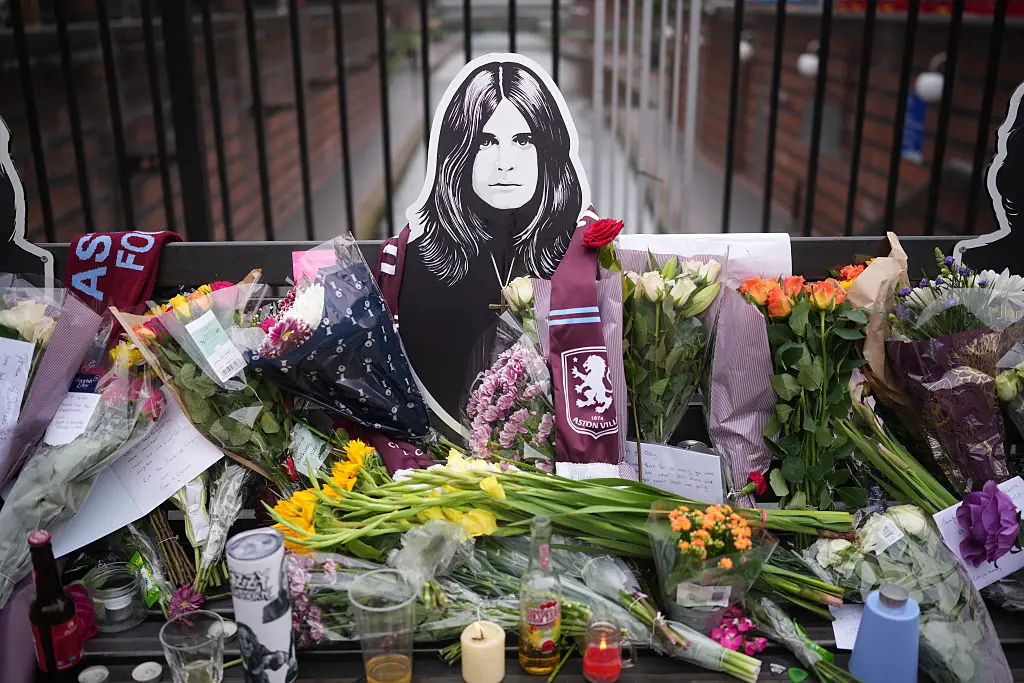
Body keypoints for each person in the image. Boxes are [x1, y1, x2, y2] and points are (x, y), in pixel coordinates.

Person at [378, 54, 591, 433]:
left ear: (549, 150)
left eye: (524, 140)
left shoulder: (579, 255)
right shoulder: (418, 259)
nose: (504, 162)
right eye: (486, 141)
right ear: (458, 153)